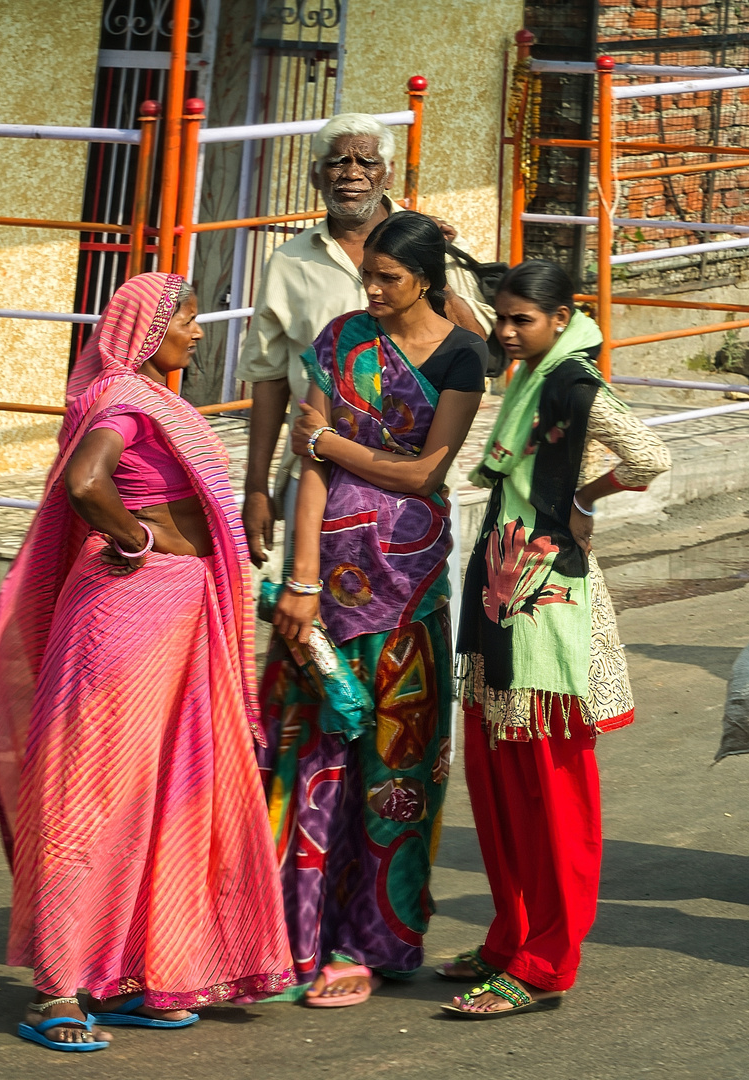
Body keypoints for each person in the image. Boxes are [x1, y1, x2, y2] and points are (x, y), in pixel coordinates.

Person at [0, 273, 293, 1051]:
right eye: (186, 321)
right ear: (147, 327)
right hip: (123, 622)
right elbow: (89, 483)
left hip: (172, 616)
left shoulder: (152, 400)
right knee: (90, 796)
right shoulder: (124, 399)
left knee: (162, 794)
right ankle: (57, 991)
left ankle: (123, 975)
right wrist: (137, 539)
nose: (197, 333)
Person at [264, 211, 487, 1007]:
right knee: (315, 759)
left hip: (410, 592)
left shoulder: (464, 355)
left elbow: (426, 473)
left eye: (390, 277)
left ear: (425, 279)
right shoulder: (340, 339)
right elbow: (309, 476)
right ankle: (295, 936)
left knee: (396, 768)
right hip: (327, 591)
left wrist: (328, 444)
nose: (375, 289)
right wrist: (301, 577)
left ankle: (372, 941)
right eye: (370, 275)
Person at [442, 260, 670, 1017]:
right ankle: (509, 938)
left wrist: (584, 497)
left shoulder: (572, 384)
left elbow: (649, 456)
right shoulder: (528, 376)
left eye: (521, 321)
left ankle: (546, 962)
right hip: (500, 590)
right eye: (499, 319)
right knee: (498, 782)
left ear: (560, 317)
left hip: (549, 607)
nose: (505, 333)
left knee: (552, 791)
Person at [238, 112, 496, 571]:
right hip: (319, 476)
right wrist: (256, 486)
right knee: (306, 619)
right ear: (317, 173)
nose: (352, 174)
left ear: (388, 173)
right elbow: (269, 378)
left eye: (366, 162)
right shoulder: (288, 263)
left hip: (413, 482)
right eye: (338, 162)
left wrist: (434, 272)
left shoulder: (431, 242)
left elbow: (479, 356)